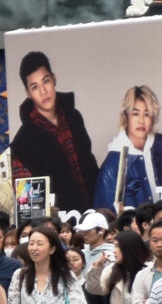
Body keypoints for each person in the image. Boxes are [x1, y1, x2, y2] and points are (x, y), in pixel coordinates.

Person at [10, 52, 102, 212]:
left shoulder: (74, 118)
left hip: (93, 217)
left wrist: (102, 208)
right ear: (28, 93)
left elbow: (90, 167)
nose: (43, 91)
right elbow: (29, 208)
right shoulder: (22, 144)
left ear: (54, 79)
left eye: (45, 81)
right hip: (58, 224)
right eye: (34, 87)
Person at [96, 86, 162, 211]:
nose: (141, 121)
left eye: (147, 114)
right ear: (126, 117)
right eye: (135, 114)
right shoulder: (112, 165)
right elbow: (107, 216)